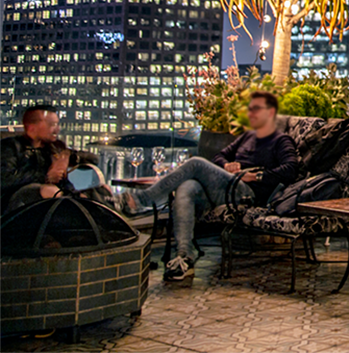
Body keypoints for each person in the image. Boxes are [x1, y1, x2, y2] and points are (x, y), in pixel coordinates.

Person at [121, 91, 299, 281]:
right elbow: (219, 156)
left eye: (256, 109)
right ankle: (184, 257)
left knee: (196, 163)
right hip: (226, 187)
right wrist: (226, 165)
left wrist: (255, 176)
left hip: (247, 193)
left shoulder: (280, 140)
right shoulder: (248, 137)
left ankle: (141, 201)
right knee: (187, 187)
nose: (251, 113)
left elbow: (291, 169)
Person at [1, 105, 107, 213]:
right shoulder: (10, 147)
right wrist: (45, 175)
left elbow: (93, 159)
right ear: (31, 127)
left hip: (51, 201)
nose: (57, 129)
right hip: (15, 206)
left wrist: (69, 157)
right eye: (52, 125)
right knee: (49, 190)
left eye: (57, 124)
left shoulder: (53, 149)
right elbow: (4, 179)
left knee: (99, 192)